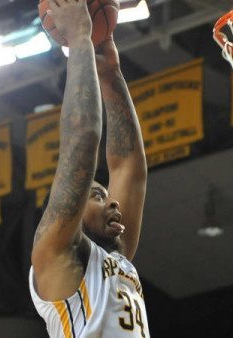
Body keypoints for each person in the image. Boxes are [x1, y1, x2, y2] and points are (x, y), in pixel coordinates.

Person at [29, 0, 149, 337]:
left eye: (103, 195)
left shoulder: (116, 260)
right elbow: (81, 140)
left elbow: (129, 167)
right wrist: (80, 38)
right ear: (65, 213)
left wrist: (111, 76)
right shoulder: (54, 252)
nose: (113, 202)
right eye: (98, 196)